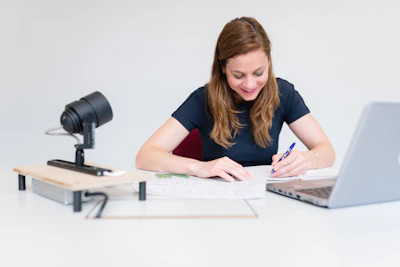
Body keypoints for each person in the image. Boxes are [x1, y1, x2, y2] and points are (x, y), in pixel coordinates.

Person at [136, 17, 335, 182]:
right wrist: (201, 167)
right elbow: (145, 156)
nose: (249, 85)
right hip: (218, 199)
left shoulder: (283, 93)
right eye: (238, 75)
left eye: (258, 72)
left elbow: (327, 151)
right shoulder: (203, 99)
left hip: (267, 198)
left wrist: (306, 160)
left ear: (269, 63)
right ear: (223, 69)